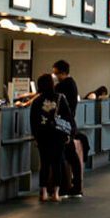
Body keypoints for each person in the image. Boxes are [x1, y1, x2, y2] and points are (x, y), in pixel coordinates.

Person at [29, 74, 71, 202]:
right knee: (57, 163)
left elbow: (33, 121)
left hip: (43, 135)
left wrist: (35, 136)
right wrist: (68, 134)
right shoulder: (60, 98)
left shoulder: (37, 101)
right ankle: (56, 193)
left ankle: (44, 192)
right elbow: (67, 117)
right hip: (57, 135)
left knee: (45, 163)